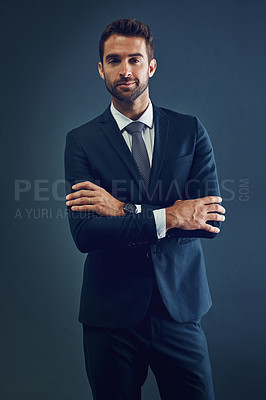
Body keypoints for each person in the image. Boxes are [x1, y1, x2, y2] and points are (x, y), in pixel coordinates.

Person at [64, 18, 225, 400]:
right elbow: (86, 233)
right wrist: (171, 214)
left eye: (135, 59)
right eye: (114, 60)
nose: (125, 70)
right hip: (110, 318)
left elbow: (209, 222)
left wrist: (123, 208)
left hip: (180, 310)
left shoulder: (189, 130)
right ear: (101, 68)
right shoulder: (82, 141)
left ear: (151, 65)